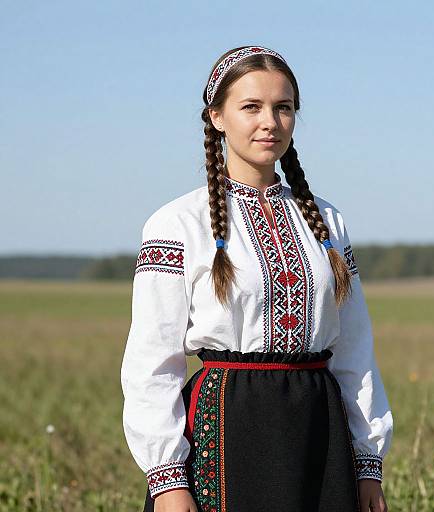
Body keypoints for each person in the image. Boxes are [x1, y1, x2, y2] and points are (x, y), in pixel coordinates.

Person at [120, 45, 393, 512]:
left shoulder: (328, 221)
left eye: (283, 107)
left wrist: (367, 461)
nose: (270, 121)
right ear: (217, 117)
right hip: (227, 430)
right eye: (251, 106)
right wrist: (167, 479)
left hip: (319, 431)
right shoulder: (177, 223)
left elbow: (355, 351)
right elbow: (152, 359)